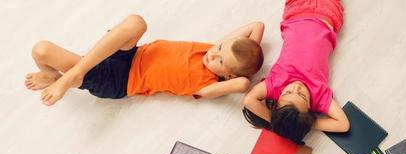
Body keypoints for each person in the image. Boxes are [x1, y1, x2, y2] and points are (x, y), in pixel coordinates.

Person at [25, 14, 264, 106]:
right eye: (220, 47)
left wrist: (244, 74)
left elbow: (243, 85)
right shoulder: (209, 51)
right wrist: (246, 52)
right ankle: (60, 76)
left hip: (119, 80)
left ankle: (73, 75)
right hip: (130, 54)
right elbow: (257, 26)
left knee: (41, 50)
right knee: (137, 22)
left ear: (229, 75)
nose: (214, 54)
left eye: (220, 61)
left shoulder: (206, 84)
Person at [243, 0, 349, 144]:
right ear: (309, 108)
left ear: (277, 100)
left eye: (287, 93)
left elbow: (249, 101)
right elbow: (343, 125)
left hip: (297, 10)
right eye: (302, 96)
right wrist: (307, 123)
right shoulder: (318, 96)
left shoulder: (275, 85)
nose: (296, 88)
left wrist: (274, 120)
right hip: (326, 12)